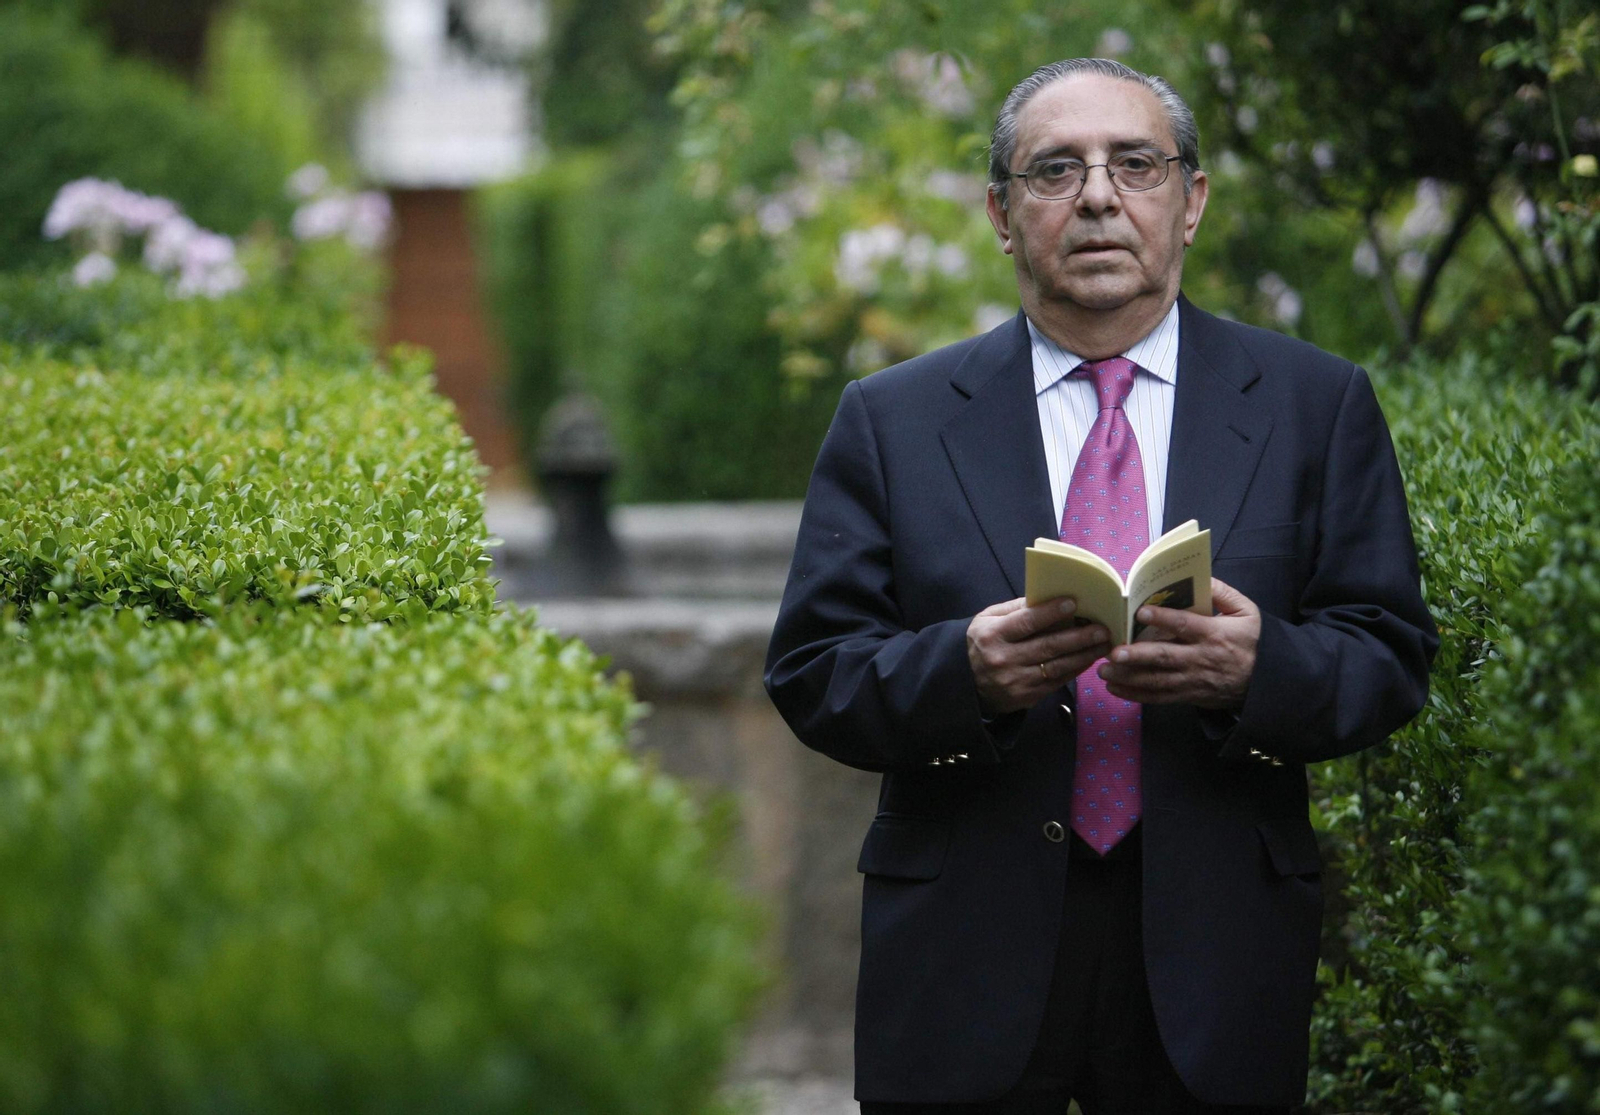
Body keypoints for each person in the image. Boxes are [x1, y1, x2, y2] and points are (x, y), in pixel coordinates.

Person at [763, 58, 1438, 1115]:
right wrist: (962, 672)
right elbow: (811, 670)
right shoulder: (891, 418)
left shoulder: (1314, 402)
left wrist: (1261, 668)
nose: (1096, 196)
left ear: (1191, 200)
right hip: (963, 950)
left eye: (1135, 164)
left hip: (1217, 946)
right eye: (1053, 169)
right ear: (999, 210)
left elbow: (1391, 655)